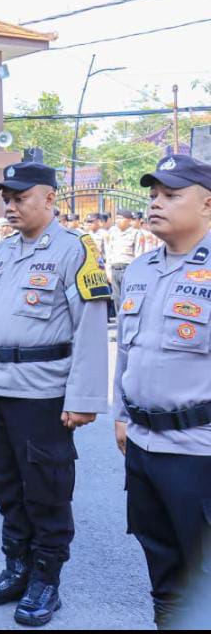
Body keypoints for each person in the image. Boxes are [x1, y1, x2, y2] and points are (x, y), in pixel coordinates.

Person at [0, 159, 110, 627]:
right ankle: (17, 568)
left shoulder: (74, 249)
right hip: (0, 388)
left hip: (43, 393)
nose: (10, 206)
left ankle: (46, 579)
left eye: (20, 197)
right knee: (5, 484)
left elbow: (90, 326)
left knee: (46, 491)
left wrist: (83, 398)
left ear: (49, 198)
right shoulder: (3, 251)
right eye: (6, 198)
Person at [113, 154, 211, 629]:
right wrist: (121, 413)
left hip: (199, 450)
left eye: (171, 195)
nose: (155, 203)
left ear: (207, 204)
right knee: (162, 563)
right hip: (144, 445)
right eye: (153, 195)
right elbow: (127, 353)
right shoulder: (140, 269)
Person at [108, 210, 141, 317]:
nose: (118, 220)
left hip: (128, 268)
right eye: (117, 218)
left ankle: (128, 319)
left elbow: (138, 254)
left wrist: (136, 273)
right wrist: (108, 271)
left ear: (129, 220)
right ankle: (119, 321)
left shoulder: (136, 233)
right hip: (115, 269)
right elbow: (109, 253)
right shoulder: (113, 233)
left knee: (128, 297)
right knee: (116, 297)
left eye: (121, 218)